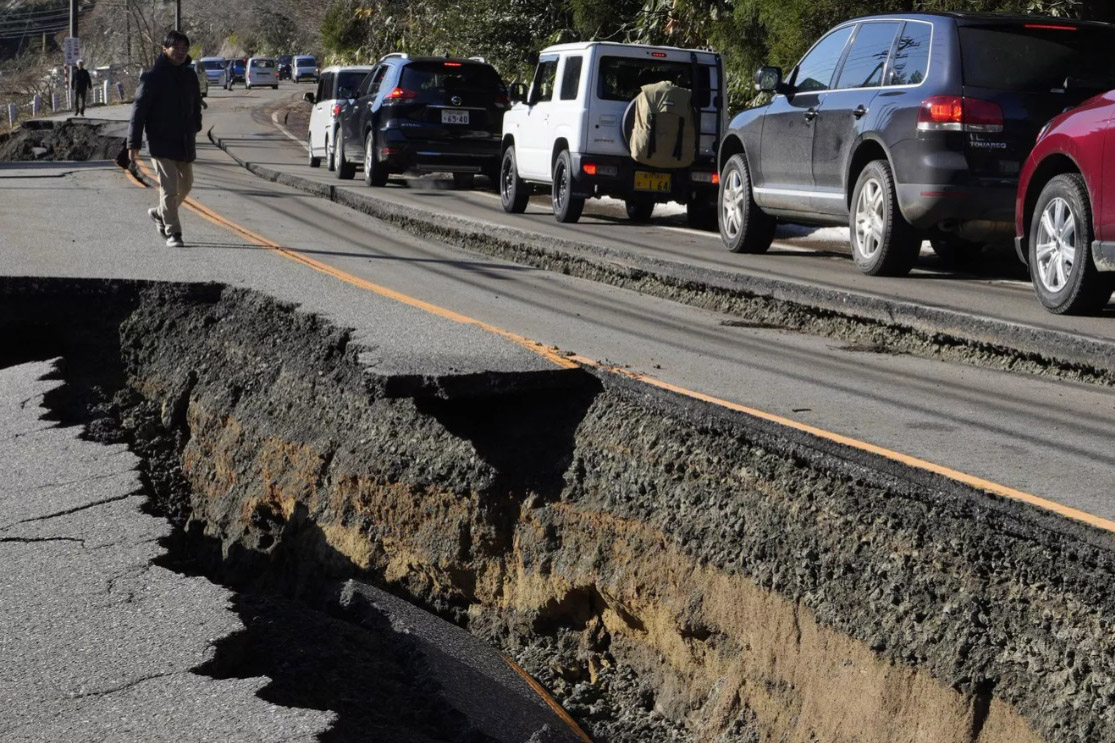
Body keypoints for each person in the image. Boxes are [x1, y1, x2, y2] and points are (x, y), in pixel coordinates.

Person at [127, 30, 202, 248]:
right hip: (160, 143)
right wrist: (133, 144)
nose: (180, 53)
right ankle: (173, 233)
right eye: (175, 48)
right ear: (164, 50)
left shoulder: (190, 76)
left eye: (183, 49)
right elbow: (138, 112)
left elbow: (196, 104)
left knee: (186, 186)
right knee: (169, 190)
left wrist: (196, 125)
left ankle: (160, 214)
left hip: (184, 142)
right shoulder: (152, 78)